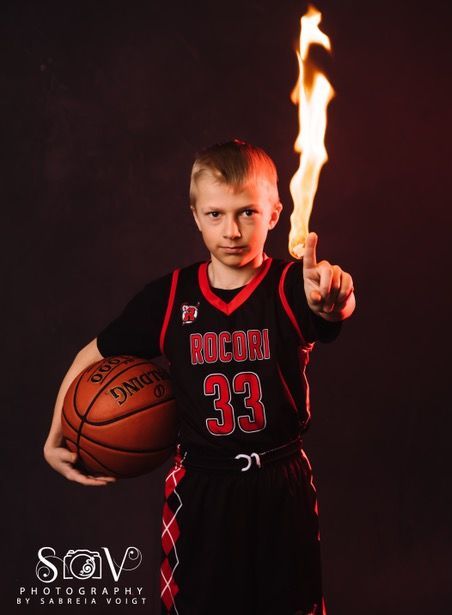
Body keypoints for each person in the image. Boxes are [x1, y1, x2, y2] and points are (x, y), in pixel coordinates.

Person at [44, 140, 355, 615]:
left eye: (247, 212)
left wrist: (333, 299)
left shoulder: (294, 288)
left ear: (275, 213)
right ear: (194, 214)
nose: (231, 230)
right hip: (203, 488)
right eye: (215, 214)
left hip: (280, 481)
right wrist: (56, 433)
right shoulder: (168, 298)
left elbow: (331, 308)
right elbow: (93, 353)